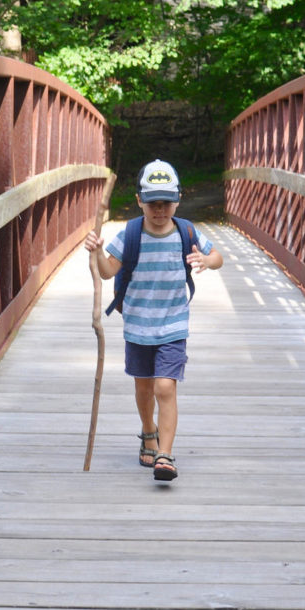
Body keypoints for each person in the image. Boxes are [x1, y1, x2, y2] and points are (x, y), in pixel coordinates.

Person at [83, 159, 223, 481]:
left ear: (177, 200)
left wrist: (206, 260)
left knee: (164, 387)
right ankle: (149, 431)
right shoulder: (130, 234)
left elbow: (218, 256)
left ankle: (165, 453)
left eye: (166, 203)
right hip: (138, 326)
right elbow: (107, 272)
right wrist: (96, 252)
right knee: (144, 387)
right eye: (152, 203)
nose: (159, 210)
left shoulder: (185, 231)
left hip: (173, 324)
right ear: (139, 202)